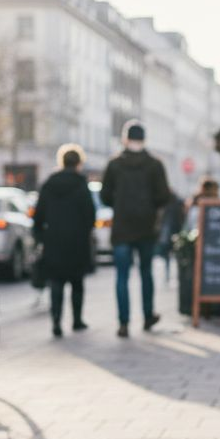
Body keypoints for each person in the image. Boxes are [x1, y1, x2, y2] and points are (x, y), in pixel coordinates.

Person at [100, 120, 171, 337]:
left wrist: (120, 204)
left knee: (122, 276)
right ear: (144, 140)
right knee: (146, 272)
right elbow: (163, 196)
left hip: (122, 227)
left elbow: (105, 196)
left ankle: (123, 322)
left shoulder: (114, 164)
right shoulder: (154, 164)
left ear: (125, 139)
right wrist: (149, 207)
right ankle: (148, 316)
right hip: (146, 227)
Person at [34, 144, 96, 337]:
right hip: (77, 240)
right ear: (78, 163)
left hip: (54, 240)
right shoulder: (81, 184)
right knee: (77, 282)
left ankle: (56, 322)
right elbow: (90, 214)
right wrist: (85, 231)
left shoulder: (49, 184)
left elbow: (38, 215)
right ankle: (77, 320)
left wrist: (40, 237)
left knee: (56, 282)